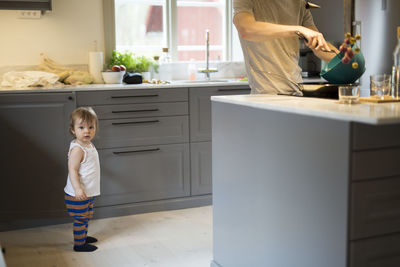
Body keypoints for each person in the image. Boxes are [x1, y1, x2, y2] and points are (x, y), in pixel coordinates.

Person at [233, 0, 339, 95]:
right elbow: (246, 29)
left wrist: (343, 58)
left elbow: (318, 44)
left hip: (296, 90)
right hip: (266, 92)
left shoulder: (300, 3)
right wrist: (298, 29)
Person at [64, 107, 100, 252]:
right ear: (73, 130)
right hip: (78, 193)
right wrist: (78, 188)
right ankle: (79, 244)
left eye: (91, 127)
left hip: (88, 191)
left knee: (86, 216)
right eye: (81, 127)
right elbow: (72, 169)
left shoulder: (88, 144)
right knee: (80, 219)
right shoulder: (78, 149)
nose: (87, 131)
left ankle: (83, 237)